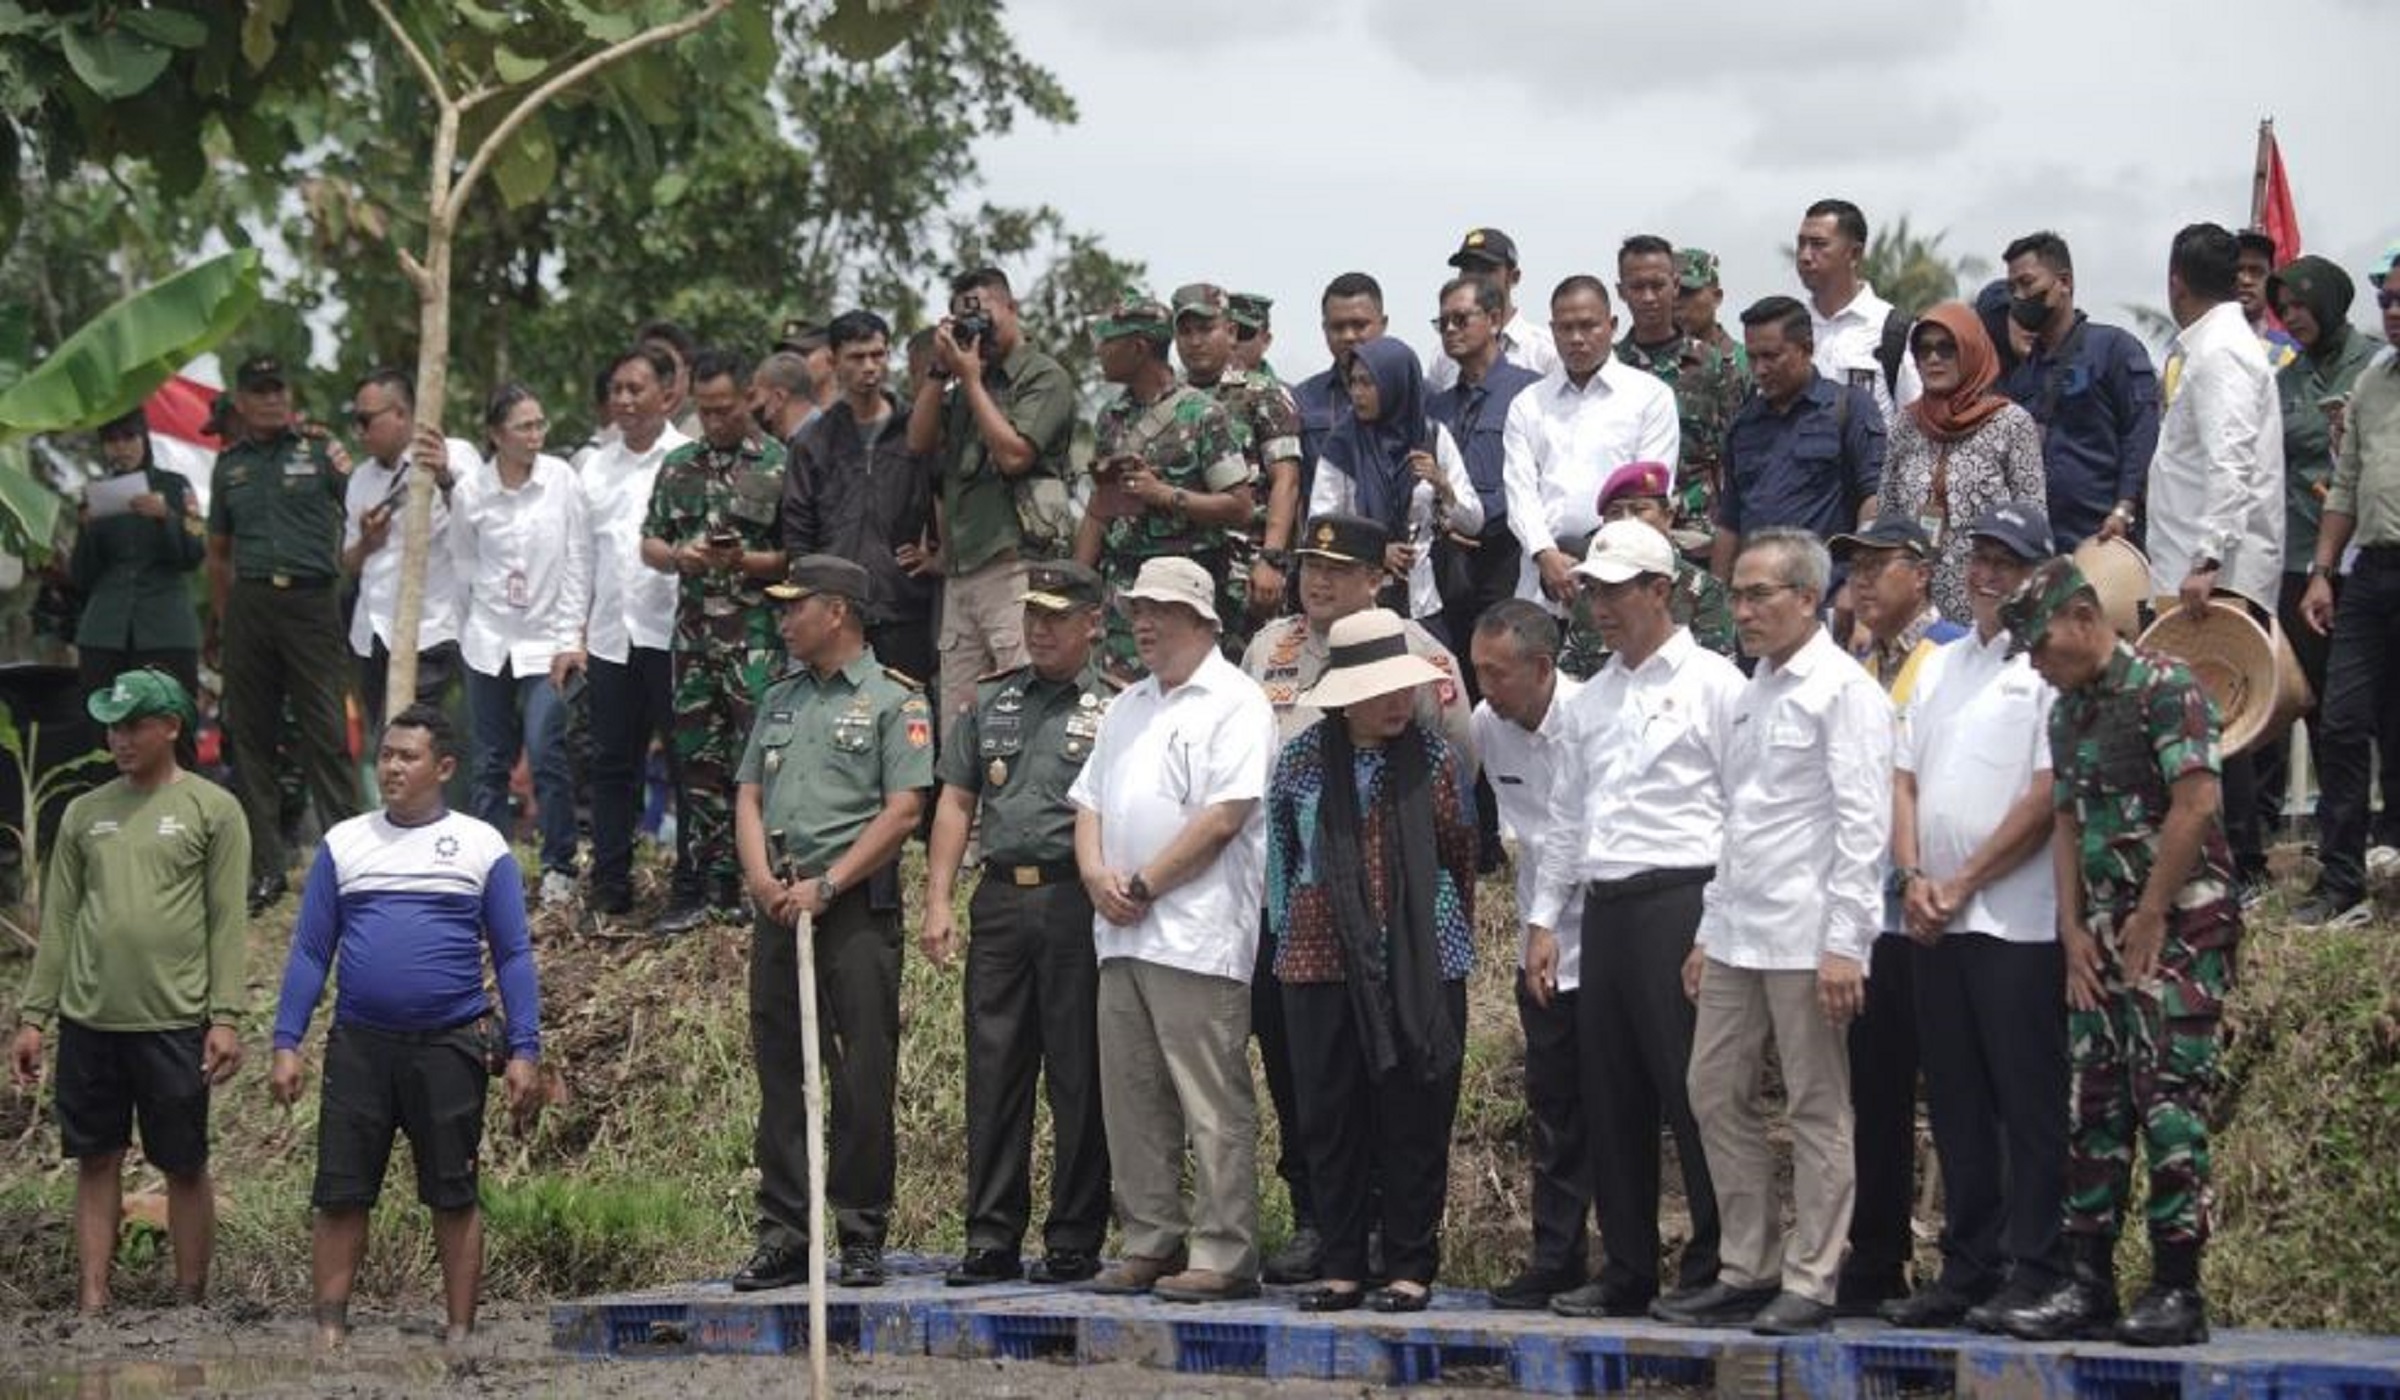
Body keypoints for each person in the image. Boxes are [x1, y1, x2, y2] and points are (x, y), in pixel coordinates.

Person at [1994, 559, 2238, 1348]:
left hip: (2179, 927)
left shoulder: (2168, 688)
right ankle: (2086, 1281)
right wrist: (2070, 931)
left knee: (2168, 1103)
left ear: (2082, 615)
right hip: (2101, 930)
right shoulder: (2066, 714)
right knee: (2093, 1106)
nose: (2036, 661)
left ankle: (2177, 1289)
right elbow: (2066, 820)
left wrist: (2155, 909)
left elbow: (2197, 801)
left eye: (2040, 644)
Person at [1659, 527, 1890, 1336]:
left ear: (1807, 599)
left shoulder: (1845, 692)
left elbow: (1865, 826)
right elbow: (1738, 822)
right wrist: (1707, 927)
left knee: (1818, 1106)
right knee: (1713, 1089)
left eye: (1760, 595)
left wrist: (1846, 944)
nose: (1745, 609)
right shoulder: (1750, 690)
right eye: (1739, 594)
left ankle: (1814, 1275)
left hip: (1806, 936)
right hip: (1738, 929)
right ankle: (1747, 1264)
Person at [1239, 512, 1473, 1283]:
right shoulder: (1293, 732)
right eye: (1311, 565)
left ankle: (1401, 1253)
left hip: (1416, 945)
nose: (1318, 579)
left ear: (1378, 576)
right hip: (1310, 946)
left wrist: (1421, 917)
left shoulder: (1431, 727)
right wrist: (1286, 923)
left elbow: (1457, 847)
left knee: (1410, 1104)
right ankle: (1334, 1247)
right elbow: (1280, 849)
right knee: (1323, 1104)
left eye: (1340, 568)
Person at [267, 704, 542, 1347]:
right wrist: (286, 1041)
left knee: (453, 1193)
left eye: (406, 756)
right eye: (386, 754)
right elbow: (311, 950)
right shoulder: (345, 842)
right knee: (340, 1192)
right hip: (360, 1044)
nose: (390, 766)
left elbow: (513, 954)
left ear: (443, 767)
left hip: (451, 1043)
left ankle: (459, 1333)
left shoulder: (481, 845)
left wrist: (525, 1048)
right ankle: (330, 1331)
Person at [1525, 521, 1742, 1320]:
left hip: (1683, 895)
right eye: (1592, 592)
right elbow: (1565, 817)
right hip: (1607, 906)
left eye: (1616, 591)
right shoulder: (1595, 695)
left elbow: (1739, 811)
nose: (1601, 608)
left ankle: (1721, 1260)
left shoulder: (1716, 683)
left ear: (1662, 590)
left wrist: (1713, 927)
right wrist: (1545, 921)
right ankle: (1627, 1265)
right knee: (1609, 1091)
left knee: (1695, 1090)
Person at [1069, 557, 1277, 1303]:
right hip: (1122, 933)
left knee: (1209, 1100)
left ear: (1202, 620)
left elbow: (1226, 816)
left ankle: (1224, 1251)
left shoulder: (1236, 701)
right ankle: (1149, 1238)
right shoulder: (1128, 706)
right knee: (1132, 1098)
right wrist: (1097, 877)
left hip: (1195, 932)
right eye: (1136, 609)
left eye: (1159, 610)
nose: (1143, 622)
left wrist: (1145, 883)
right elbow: (1088, 801)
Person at [1881, 503, 2066, 1331]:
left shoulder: (2048, 666)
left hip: (2015, 923)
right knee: (1953, 1101)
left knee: (2023, 1102)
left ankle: (2036, 1264)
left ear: (2038, 574)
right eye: (1981, 557)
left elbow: (2044, 797)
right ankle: (1969, 1263)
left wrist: (1962, 884)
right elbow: (1905, 779)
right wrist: (1917, 874)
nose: (1990, 574)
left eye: (2009, 561)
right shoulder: (1945, 663)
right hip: (1935, 919)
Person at [11, 670, 247, 1315]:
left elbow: (227, 920)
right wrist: (35, 1016)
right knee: (95, 1158)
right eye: (113, 727)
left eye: (134, 725)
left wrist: (225, 1015)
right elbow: (59, 921)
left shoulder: (213, 809)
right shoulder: (86, 814)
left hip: (174, 1018)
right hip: (90, 1019)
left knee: (184, 1162)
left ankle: (190, 1300)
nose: (120, 739)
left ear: (171, 726)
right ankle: (93, 1300)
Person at [729, 555, 934, 1291]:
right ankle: (783, 1231)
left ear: (838, 612)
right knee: (783, 1073)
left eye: (796, 606)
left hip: (852, 913)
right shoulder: (780, 698)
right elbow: (749, 793)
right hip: (780, 908)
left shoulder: (894, 700)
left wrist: (831, 882)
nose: (783, 619)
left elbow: (905, 809)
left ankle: (859, 1230)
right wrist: (760, 880)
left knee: (860, 1076)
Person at [921, 562, 1115, 1287]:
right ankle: (990, 1236)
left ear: (1093, 622)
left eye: (1058, 616)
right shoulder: (993, 702)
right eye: (1033, 614)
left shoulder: (1116, 708)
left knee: (1077, 1074)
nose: (1040, 628)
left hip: (1075, 901)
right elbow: (955, 803)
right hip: (1000, 901)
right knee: (995, 1072)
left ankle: (1073, 1236)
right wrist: (939, 899)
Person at [1823, 514, 1963, 1315]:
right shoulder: (1854, 661)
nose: (1864, 583)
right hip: (1863, 911)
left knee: (1948, 1089)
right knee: (1872, 1096)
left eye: (1879, 567)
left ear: (1921, 571)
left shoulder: (1946, 655)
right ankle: (1877, 1255)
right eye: (1856, 568)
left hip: (1929, 903)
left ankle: (1970, 1255)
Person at [2148, 223, 2284, 898]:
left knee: (2221, 718)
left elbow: (2231, 462)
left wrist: (2205, 560)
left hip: (2212, 574)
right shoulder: (2213, 345)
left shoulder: (2220, 352)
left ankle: (2237, 868)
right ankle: (2214, 863)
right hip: (2194, 565)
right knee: (2202, 718)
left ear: (2176, 279)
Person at [1468, 599, 1594, 1311]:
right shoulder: (1489, 725)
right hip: (1537, 947)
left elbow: (1583, 834)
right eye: (1479, 670)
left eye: (1498, 672)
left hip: (1605, 938)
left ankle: (1641, 1261)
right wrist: (1536, 928)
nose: (1485, 686)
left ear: (1543, 668)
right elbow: (1523, 838)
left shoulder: (1590, 720)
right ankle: (1556, 1257)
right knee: (1553, 1110)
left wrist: (1549, 919)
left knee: (1621, 1106)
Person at [205, 352, 363, 915]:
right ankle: (266, 870)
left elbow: (363, 499)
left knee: (325, 732)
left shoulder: (322, 451)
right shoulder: (229, 466)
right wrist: (224, 622)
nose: (272, 398)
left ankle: (352, 863)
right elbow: (218, 553)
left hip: (311, 601)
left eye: (279, 388)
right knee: (250, 738)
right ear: (242, 402)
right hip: (250, 604)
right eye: (259, 390)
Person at [641, 348, 790, 935]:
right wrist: (680, 556)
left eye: (724, 409)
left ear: (750, 395)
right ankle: (711, 884)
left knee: (756, 762)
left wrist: (743, 560)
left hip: (755, 640)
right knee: (698, 762)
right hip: (694, 638)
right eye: (704, 411)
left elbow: (794, 557)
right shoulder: (680, 464)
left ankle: (766, 881)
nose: (715, 420)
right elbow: (650, 542)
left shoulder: (780, 462)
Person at [908, 266, 1079, 726]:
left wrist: (971, 381)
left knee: (1015, 710)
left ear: (1012, 308)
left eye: (985, 316)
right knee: (960, 720)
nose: (978, 330)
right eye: (966, 320)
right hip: (962, 571)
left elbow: (1014, 456)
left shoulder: (1043, 376)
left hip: (1014, 565)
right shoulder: (964, 382)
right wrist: (938, 371)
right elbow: (918, 442)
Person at [2253, 256, 2381, 860]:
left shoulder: (2376, 365)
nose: (2293, 316)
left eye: (2302, 304)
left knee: (2381, 707)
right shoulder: (2285, 380)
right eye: (2286, 308)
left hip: (2374, 555)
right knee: (2325, 711)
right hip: (2305, 561)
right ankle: (2340, 839)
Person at [449, 383, 588, 909]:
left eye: (539, 424)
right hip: (487, 640)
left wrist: (572, 637)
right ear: (495, 435)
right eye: (524, 427)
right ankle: (490, 870)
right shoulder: (471, 492)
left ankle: (559, 866)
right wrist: (471, 633)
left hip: (549, 642)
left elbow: (579, 560)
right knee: (487, 759)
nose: (536, 435)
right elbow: (462, 569)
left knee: (546, 748)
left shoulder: (561, 481)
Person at [569, 345, 693, 916]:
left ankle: (691, 884)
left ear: (666, 394)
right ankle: (611, 885)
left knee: (685, 760)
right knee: (611, 763)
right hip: (609, 638)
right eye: (616, 389)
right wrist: (572, 637)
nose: (623, 400)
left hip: (671, 634)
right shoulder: (593, 466)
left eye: (635, 389)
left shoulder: (687, 458)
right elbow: (579, 560)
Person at [2295, 267, 2400, 928]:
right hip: (2371, 572)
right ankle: (2341, 879)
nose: (2392, 312)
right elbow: (2345, 486)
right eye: (2387, 302)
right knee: (2340, 722)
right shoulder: (2372, 384)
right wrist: (2322, 572)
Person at [1074, 294, 1255, 677]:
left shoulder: (1203, 414)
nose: (1099, 352)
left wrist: (1165, 495)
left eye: (1108, 342)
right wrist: (1076, 588)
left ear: (1139, 348)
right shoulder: (1111, 418)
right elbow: (1098, 509)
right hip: (1123, 596)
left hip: (1183, 596)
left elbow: (1240, 507)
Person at [782, 310, 940, 697]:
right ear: (833, 362)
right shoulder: (813, 441)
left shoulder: (918, 429)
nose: (870, 367)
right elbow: (798, 532)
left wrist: (938, 556)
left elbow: (947, 494)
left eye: (878, 355)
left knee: (906, 724)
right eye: (856, 357)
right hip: (835, 615)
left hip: (903, 608)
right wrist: (811, 600)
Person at [1503, 276, 1681, 607]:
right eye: (1566, 328)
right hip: (1544, 584)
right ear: (1552, 329)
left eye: (1588, 326)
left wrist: (1604, 561)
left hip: (1624, 580)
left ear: (1612, 326)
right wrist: (1544, 554)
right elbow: (1519, 491)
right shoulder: (1527, 404)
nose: (1577, 338)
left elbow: (1650, 493)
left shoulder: (1650, 396)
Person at [1877, 303, 2048, 622]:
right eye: (1924, 349)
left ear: (1970, 349)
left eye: (1946, 348)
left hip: (1991, 611)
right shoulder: (1905, 424)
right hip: (1918, 613)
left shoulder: (2011, 423)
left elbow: (2033, 522)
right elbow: (1888, 520)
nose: (1933, 358)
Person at [1994, 232, 2162, 553]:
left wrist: (2124, 508)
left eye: (2027, 283)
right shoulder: (2022, 377)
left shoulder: (2113, 349)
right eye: (2012, 289)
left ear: (2064, 282)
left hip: (2104, 540)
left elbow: (2141, 433)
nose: (2019, 296)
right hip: (2040, 549)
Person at [1308, 337, 1481, 628]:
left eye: (1368, 383)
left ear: (1397, 384)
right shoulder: (1342, 446)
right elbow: (1321, 526)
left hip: (1423, 604)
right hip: (1358, 607)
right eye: (1353, 382)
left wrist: (1442, 484)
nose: (1357, 393)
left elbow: (1473, 522)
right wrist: (1376, 551)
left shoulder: (1433, 439)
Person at [1712, 298, 1886, 581]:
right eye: (1753, 358)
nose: (1760, 370)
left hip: (1825, 592)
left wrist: (1860, 580)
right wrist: (1717, 598)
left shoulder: (1848, 409)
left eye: (1771, 356)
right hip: (1759, 596)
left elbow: (1874, 499)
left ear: (1807, 348)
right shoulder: (1742, 426)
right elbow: (1729, 523)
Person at [339, 367, 470, 726]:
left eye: (366, 420)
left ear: (400, 413)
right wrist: (367, 543)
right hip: (372, 635)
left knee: (405, 740)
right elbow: (348, 562)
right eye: (356, 422)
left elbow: (479, 530)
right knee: (385, 746)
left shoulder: (453, 455)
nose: (360, 432)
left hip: (428, 630)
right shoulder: (361, 479)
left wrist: (444, 479)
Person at [1429, 275, 1547, 665]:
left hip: (1509, 556)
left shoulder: (1531, 392)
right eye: (1442, 322)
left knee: (1508, 665)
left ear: (1494, 319)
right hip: (1448, 562)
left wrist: (1479, 520)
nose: (1449, 330)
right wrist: (1450, 524)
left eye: (1461, 319)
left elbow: (1541, 477)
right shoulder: (1436, 406)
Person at [1176, 283, 1304, 624]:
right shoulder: (1170, 399)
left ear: (1230, 331)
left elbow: (1286, 481)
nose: (1195, 340)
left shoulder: (1262, 394)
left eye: (1205, 329)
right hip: (1181, 569)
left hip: (1244, 569)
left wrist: (1272, 559)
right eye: (1185, 331)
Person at [1617, 235, 1746, 549]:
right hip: (1623, 530)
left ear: (1674, 286)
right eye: (1637, 287)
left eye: (1658, 285)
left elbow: (1737, 457)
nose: (1649, 297)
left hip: (1698, 533)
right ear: (1621, 292)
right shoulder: (1609, 368)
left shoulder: (1717, 367)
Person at [71, 411, 205, 708]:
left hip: (166, 628)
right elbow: (80, 576)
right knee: (100, 727)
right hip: (105, 630)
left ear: (144, 439)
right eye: (111, 441)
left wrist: (165, 518)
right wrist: (86, 530)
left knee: (171, 721)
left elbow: (194, 554)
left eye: (129, 437)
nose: (121, 448)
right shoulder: (93, 495)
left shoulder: (174, 486)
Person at [1558, 462, 1736, 678]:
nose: (1627, 521)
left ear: (1668, 516)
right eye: (1615, 512)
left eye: (1639, 510)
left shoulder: (1705, 590)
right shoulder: (1593, 592)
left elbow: (1714, 676)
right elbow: (1572, 674)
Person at [1794, 198, 1922, 423]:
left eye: (1818, 244)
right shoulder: (1791, 329)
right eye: (1801, 244)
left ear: (1854, 254)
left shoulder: (1894, 331)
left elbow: (1915, 427)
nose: (1805, 256)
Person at [1426, 227, 1561, 393]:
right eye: (1467, 269)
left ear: (1513, 277)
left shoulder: (1544, 351)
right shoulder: (1445, 355)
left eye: (1486, 269)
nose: (1474, 278)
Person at [1292, 273, 1389, 495]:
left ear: (1383, 325)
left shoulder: (1419, 395)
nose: (1348, 336)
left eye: (1359, 325)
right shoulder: (1302, 400)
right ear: (1324, 329)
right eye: (1338, 327)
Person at [2234, 229, 2302, 369]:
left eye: (2256, 271)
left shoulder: (2295, 352)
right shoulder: (2196, 343)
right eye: (2237, 270)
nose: (2246, 280)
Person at [1675, 248, 1746, 372]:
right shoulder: (1640, 360)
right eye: (1671, 293)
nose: (1676, 302)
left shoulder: (1747, 362)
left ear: (1717, 297)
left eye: (1687, 293)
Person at [1228, 292, 1278, 379]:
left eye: (1243, 332)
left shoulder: (1286, 392)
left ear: (1266, 341)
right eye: (1226, 332)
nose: (1232, 341)